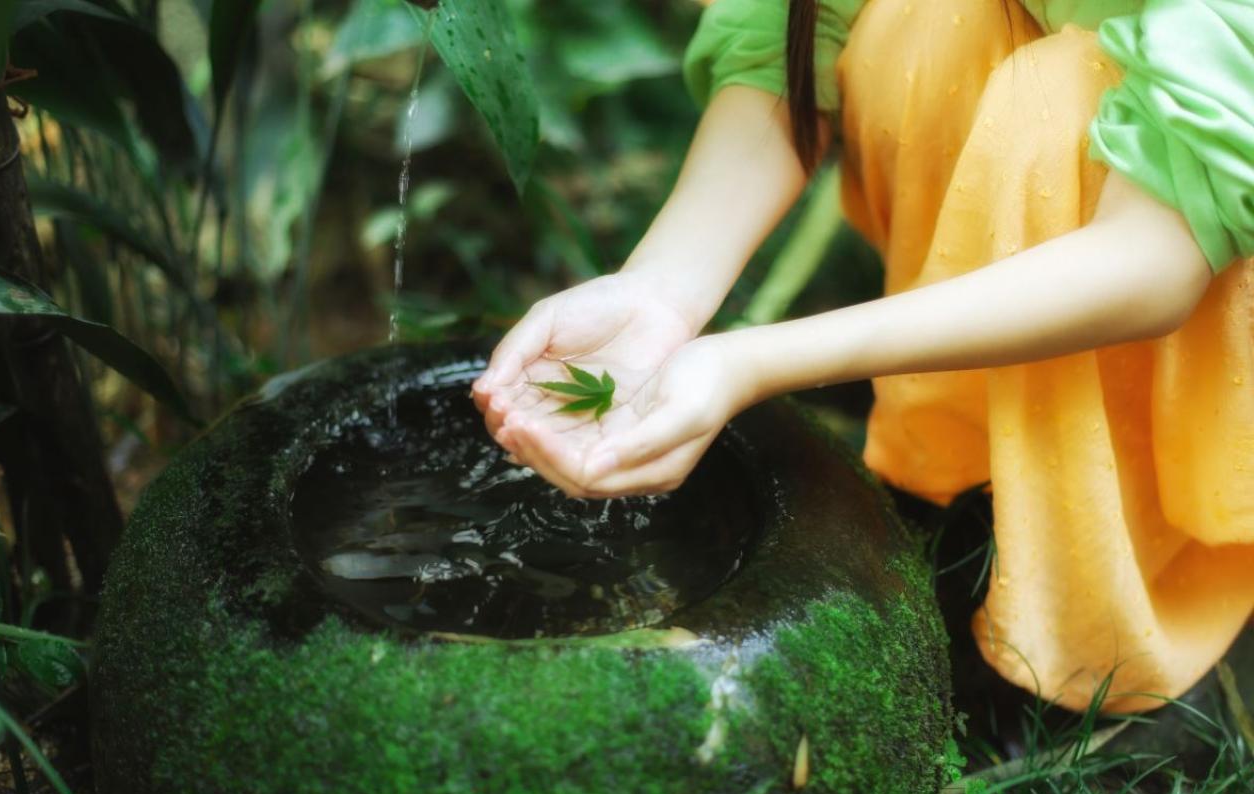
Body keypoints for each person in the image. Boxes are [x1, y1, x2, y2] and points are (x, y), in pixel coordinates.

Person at [470, 0, 1254, 714]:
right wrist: (658, 291)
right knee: (923, 21)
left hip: (1209, 254)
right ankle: (957, 464)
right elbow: (788, 46)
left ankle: (1090, 597)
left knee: (1052, 102)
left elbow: (1153, 254)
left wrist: (751, 361)